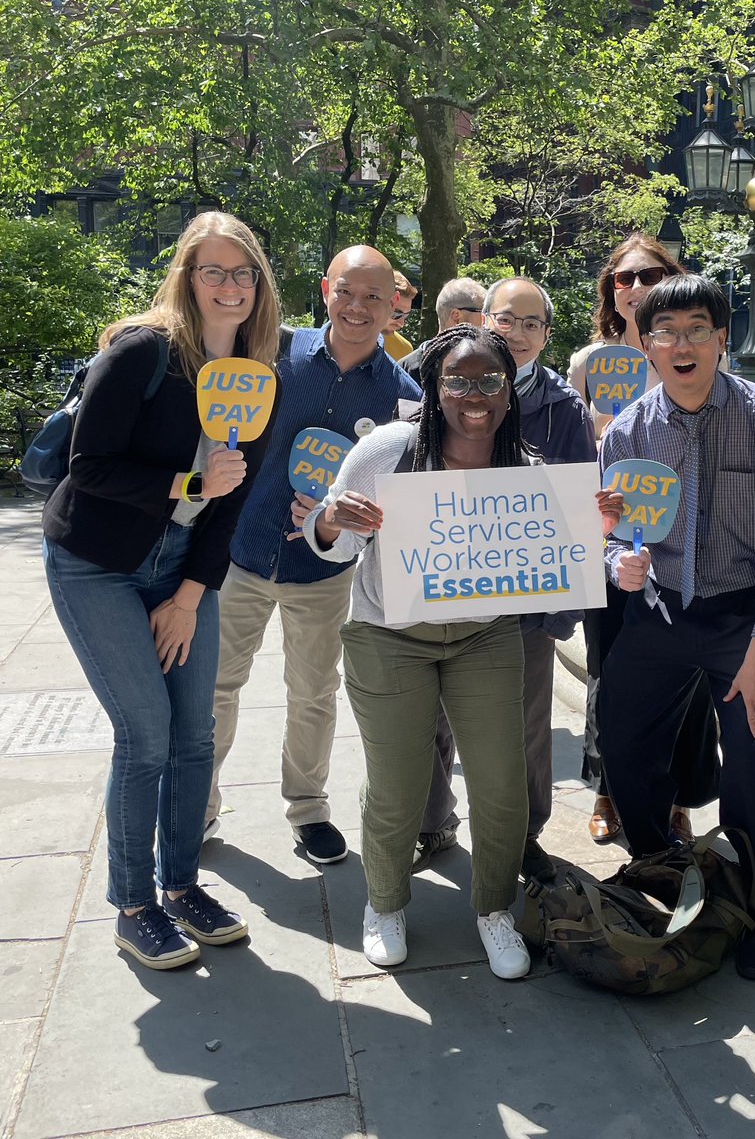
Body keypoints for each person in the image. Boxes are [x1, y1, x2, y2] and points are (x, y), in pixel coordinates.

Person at [41, 211, 280, 970]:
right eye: (213, 271)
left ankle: (182, 887)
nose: (230, 286)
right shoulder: (144, 352)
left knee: (194, 734)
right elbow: (89, 467)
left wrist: (188, 597)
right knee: (144, 734)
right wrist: (186, 481)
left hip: (181, 566)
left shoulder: (258, 375)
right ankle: (133, 905)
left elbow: (233, 498)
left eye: (243, 273)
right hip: (97, 563)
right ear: (186, 276)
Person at [298, 326, 535, 977]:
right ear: (432, 390)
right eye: (458, 380)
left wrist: (592, 525)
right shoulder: (385, 451)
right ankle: (384, 902)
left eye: (491, 380)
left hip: (484, 635)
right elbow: (334, 545)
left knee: (501, 787)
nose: (475, 393)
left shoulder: (524, 466)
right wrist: (329, 517)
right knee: (397, 789)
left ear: (510, 392)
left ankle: (493, 909)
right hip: (389, 636)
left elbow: (552, 557)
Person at [598, 274, 755, 982]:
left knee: (749, 765)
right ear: (645, 344)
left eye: (695, 329)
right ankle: (659, 863)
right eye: (664, 332)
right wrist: (615, 563)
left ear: (721, 337)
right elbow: (612, 534)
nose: (680, 344)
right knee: (621, 737)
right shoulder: (627, 430)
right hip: (657, 611)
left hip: (740, 618)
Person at [206, 246, 422, 864]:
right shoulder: (270, 350)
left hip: (322, 571)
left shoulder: (403, 396)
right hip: (238, 551)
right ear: (326, 288)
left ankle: (307, 810)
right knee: (216, 689)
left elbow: (401, 495)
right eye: (347, 292)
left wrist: (346, 518)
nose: (358, 307)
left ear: (393, 307)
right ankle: (198, 809)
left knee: (314, 692)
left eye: (374, 297)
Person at [415, 278, 595, 882]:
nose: (516, 333)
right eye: (505, 318)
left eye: (531, 323)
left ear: (547, 333)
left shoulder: (564, 407)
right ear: (481, 321)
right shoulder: (435, 385)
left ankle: (525, 835)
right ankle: (432, 823)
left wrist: (555, 613)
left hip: (524, 607)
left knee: (525, 729)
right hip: (444, 594)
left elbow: (576, 507)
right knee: (434, 718)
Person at [568, 234, 721, 845]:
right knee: (607, 669)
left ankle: (677, 794)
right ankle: (608, 788)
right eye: (623, 278)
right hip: (610, 539)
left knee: (687, 673)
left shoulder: (698, 353)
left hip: (680, 544)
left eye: (649, 275)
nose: (635, 287)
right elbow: (567, 456)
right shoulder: (588, 364)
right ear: (611, 290)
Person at [399, 277, 486, 389]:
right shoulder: (404, 373)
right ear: (456, 316)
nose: (487, 321)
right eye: (483, 312)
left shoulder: (487, 367)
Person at [379, 269, 417, 360]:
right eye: (397, 314)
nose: (401, 323)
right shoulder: (342, 339)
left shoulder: (405, 349)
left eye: (406, 316)